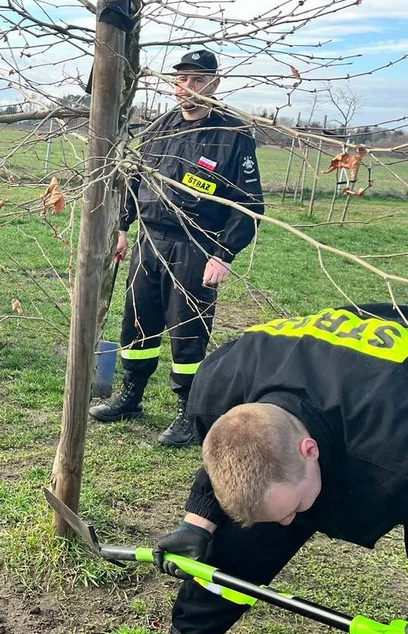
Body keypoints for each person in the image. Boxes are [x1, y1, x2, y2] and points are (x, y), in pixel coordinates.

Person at [88, 303, 408, 634]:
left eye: (293, 508)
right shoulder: (219, 382)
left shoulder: (393, 445)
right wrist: (197, 522)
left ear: (310, 452)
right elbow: (232, 446)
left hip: (382, 410)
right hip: (322, 399)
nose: (290, 525)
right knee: (229, 546)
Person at [89, 49, 265, 448]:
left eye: (198, 80)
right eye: (182, 79)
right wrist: (120, 228)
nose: (188, 87)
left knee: (187, 333)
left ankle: (189, 410)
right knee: (138, 320)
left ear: (215, 85)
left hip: (196, 247)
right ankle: (131, 395)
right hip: (149, 241)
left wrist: (224, 253)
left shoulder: (232, 136)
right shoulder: (159, 128)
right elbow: (133, 182)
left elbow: (250, 205)